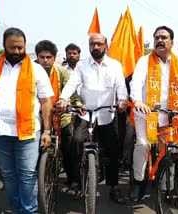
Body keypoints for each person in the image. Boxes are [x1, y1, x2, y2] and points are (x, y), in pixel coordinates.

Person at [130, 26, 178, 202]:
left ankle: (168, 188)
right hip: (146, 113)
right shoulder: (144, 60)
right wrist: (137, 101)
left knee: (170, 151)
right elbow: (136, 82)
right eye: (157, 37)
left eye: (164, 37)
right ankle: (138, 181)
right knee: (143, 145)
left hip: (170, 115)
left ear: (171, 42)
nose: (160, 40)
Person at [56, 33, 128, 204]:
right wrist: (63, 98)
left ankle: (113, 187)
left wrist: (122, 100)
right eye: (92, 44)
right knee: (76, 143)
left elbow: (120, 86)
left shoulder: (115, 65)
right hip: (86, 115)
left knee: (113, 151)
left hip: (107, 115)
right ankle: (78, 182)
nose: (95, 47)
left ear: (106, 45)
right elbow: (72, 83)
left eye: (99, 44)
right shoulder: (82, 66)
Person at [0, 28, 53, 213]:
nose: (17, 51)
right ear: (4, 46)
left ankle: (28, 211)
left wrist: (47, 131)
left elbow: (46, 100)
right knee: (9, 175)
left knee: (26, 175)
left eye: (20, 47)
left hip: (27, 133)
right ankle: (17, 209)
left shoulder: (36, 69)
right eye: (13, 48)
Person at [35, 40, 82, 197]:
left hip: (62, 117)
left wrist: (77, 103)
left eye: (49, 57)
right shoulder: (31, 71)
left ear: (54, 58)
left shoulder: (62, 72)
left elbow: (72, 90)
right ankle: (39, 182)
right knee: (36, 152)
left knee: (69, 151)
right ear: (37, 57)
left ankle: (73, 181)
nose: (45, 60)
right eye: (42, 57)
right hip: (39, 118)